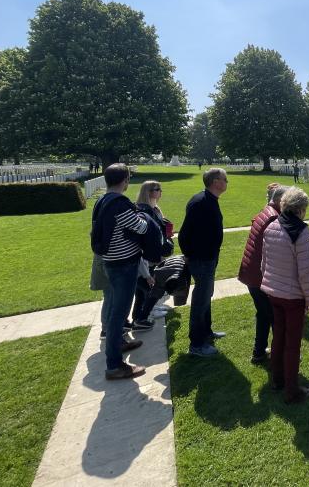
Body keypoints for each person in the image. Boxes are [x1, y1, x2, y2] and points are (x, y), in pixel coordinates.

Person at [261, 187, 309, 404]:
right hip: (293, 297)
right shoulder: (301, 231)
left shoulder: (271, 226)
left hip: (274, 293)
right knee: (292, 344)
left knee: (279, 336)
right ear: (301, 209)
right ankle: (292, 391)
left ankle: (277, 380)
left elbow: (264, 263)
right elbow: (305, 270)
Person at [92, 163, 148, 380]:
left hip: (110, 260)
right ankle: (114, 365)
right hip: (123, 263)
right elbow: (140, 227)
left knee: (116, 307)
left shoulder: (102, 200)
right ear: (125, 180)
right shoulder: (120, 204)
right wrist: (144, 217)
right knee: (119, 313)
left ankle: (119, 344)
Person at [178, 168, 228, 357]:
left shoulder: (208, 200)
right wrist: (189, 255)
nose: (226, 183)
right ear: (216, 182)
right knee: (200, 301)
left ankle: (206, 332)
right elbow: (184, 234)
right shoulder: (201, 202)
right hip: (201, 260)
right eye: (225, 180)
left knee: (206, 296)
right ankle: (197, 344)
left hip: (208, 258)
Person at [238, 184, 287, 364]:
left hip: (253, 275)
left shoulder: (266, 211)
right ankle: (280, 358)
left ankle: (259, 352)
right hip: (260, 277)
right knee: (275, 317)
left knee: (264, 314)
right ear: (281, 201)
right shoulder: (273, 218)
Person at [131, 180, 174, 329]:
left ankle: (140, 315)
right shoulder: (143, 210)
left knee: (144, 290)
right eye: (157, 189)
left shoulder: (154, 208)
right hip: (145, 257)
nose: (160, 192)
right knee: (151, 288)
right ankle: (141, 316)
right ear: (148, 192)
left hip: (151, 255)